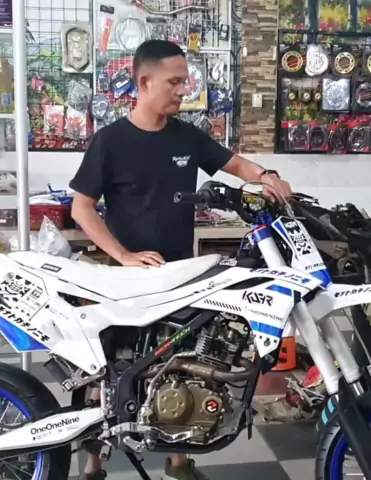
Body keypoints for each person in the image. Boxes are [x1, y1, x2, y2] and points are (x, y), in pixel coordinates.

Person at [69, 39, 292, 480]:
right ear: (144, 82)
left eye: (184, 81)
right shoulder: (110, 141)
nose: (183, 90)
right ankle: (93, 465)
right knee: (108, 372)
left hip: (182, 275)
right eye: (174, 82)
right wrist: (123, 256)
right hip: (126, 280)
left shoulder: (187, 136)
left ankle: (179, 462)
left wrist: (267, 177)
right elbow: (81, 208)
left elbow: (235, 165)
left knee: (184, 363)